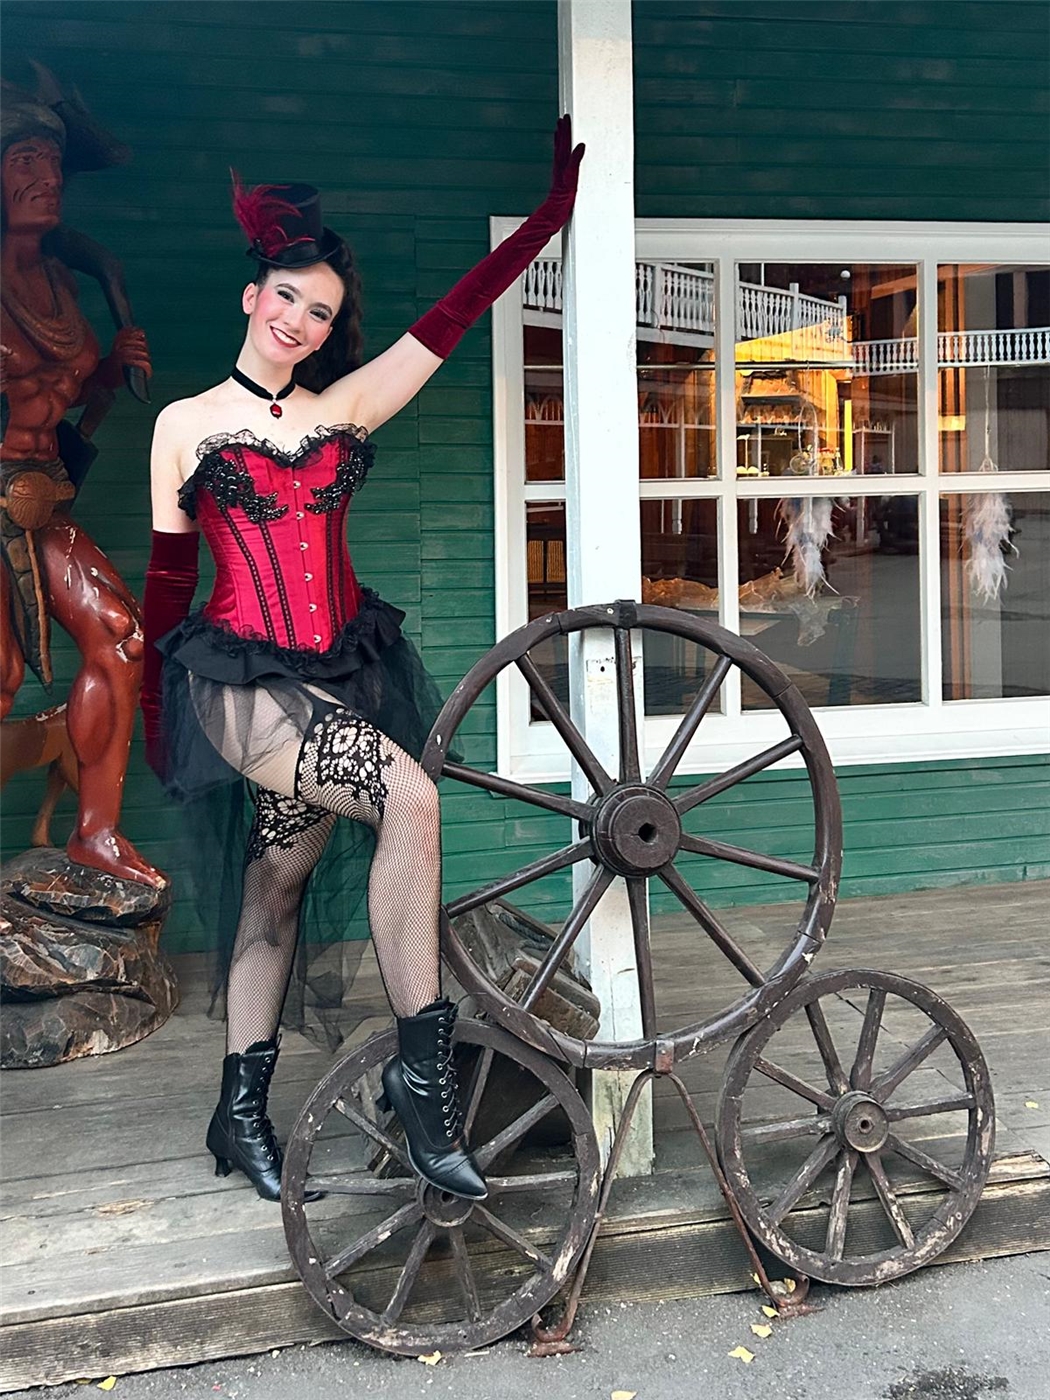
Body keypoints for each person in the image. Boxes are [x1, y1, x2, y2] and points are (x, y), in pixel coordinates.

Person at [141, 118, 584, 1203]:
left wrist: (546, 222)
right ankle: (422, 1079)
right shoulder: (184, 424)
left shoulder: (345, 406)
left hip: (337, 670)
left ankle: (237, 1110)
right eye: (288, 297)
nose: (299, 320)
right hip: (239, 684)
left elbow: (455, 316)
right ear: (253, 294)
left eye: (322, 312)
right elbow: (165, 585)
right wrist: (160, 717)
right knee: (411, 799)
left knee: (277, 884)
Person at [1, 79, 160, 888]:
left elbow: (63, 403)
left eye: (55, 161)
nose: (49, 177)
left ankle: (96, 833)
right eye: (27, 159)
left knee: (121, 636)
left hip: (45, 498)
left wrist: (106, 374)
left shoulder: (63, 285)